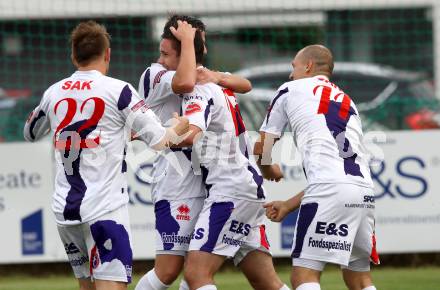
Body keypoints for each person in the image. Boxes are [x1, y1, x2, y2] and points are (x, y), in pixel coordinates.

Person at [23, 20, 189, 290]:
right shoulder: (119, 90)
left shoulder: (53, 92)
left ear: (73, 56)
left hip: (65, 215)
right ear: (108, 53)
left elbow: (29, 132)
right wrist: (178, 127)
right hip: (105, 211)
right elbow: (161, 141)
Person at [135, 15, 254, 290]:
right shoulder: (155, 74)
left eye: (166, 53)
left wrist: (213, 73)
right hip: (176, 182)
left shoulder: (204, 78)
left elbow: (245, 84)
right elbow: (186, 83)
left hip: (209, 181)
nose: (160, 59)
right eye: (160, 52)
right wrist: (188, 42)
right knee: (168, 271)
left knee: (195, 270)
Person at [254, 44, 379, 290]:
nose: (291, 74)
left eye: (294, 66)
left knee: (304, 277)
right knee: (360, 279)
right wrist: (289, 204)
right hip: (363, 193)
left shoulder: (290, 89)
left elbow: (262, 147)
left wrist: (267, 170)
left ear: (308, 66)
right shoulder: (347, 100)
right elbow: (337, 174)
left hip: (330, 190)